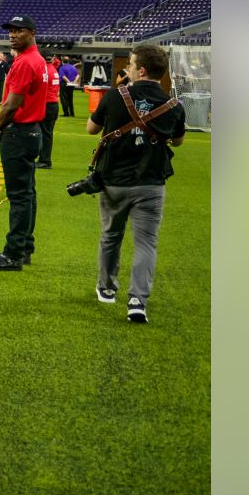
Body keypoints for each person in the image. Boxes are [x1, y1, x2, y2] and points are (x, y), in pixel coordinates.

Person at [86, 44, 185, 322]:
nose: (127, 68)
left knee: (110, 236)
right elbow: (177, 140)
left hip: (114, 179)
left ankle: (106, 289)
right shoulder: (173, 105)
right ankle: (137, 301)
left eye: (130, 63)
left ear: (140, 70)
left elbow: (91, 128)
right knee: (146, 244)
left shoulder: (115, 95)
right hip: (151, 183)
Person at [0, 15, 48, 271]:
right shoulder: (37, 59)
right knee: (28, 193)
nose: (12, 35)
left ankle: (13, 253)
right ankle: (25, 247)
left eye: (18, 31)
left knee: (19, 196)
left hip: (19, 132)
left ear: (32, 32)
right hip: (31, 131)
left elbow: (12, 104)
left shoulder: (25, 62)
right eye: (10, 31)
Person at [37, 55, 61, 169]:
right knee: (47, 133)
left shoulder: (46, 70)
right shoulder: (53, 69)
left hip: (47, 104)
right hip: (53, 103)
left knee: (45, 134)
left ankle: (45, 160)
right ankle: (44, 159)